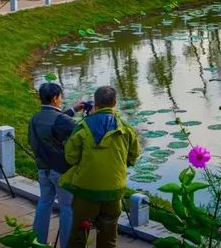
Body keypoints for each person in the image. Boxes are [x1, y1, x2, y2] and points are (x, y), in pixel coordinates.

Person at [60, 86, 139, 248]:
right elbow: (134, 155)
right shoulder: (126, 128)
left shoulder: (83, 127)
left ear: (95, 103)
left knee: (79, 235)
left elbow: (70, 157)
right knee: (109, 237)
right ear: (115, 103)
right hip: (114, 190)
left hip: (85, 190)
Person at [29, 82, 87, 246]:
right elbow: (81, 130)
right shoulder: (60, 119)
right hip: (61, 171)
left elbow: (54, 121)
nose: (61, 100)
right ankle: (66, 244)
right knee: (67, 208)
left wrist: (73, 109)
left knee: (44, 203)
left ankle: (38, 242)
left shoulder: (35, 118)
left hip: (43, 169)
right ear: (55, 98)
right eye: (60, 97)